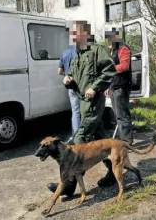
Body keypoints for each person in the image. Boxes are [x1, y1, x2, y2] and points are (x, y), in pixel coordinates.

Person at [47, 21, 116, 197]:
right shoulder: (78, 55)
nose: (72, 38)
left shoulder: (97, 50)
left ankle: (69, 184)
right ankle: (113, 171)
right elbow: (75, 79)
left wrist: (95, 87)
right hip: (82, 103)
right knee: (100, 137)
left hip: (93, 102)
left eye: (74, 34)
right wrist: (68, 80)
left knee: (80, 139)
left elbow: (109, 70)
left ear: (84, 34)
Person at [99, 28, 134, 188]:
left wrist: (111, 69)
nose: (109, 40)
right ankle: (122, 139)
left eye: (110, 37)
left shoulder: (123, 48)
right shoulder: (111, 50)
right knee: (117, 115)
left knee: (122, 115)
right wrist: (108, 86)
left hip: (122, 87)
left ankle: (126, 141)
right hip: (114, 87)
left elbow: (124, 66)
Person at [58, 39, 79, 141]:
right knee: (84, 112)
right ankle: (83, 137)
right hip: (81, 85)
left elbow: (59, 71)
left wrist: (67, 75)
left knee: (75, 111)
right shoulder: (80, 52)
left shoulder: (65, 53)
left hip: (70, 86)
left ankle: (75, 137)